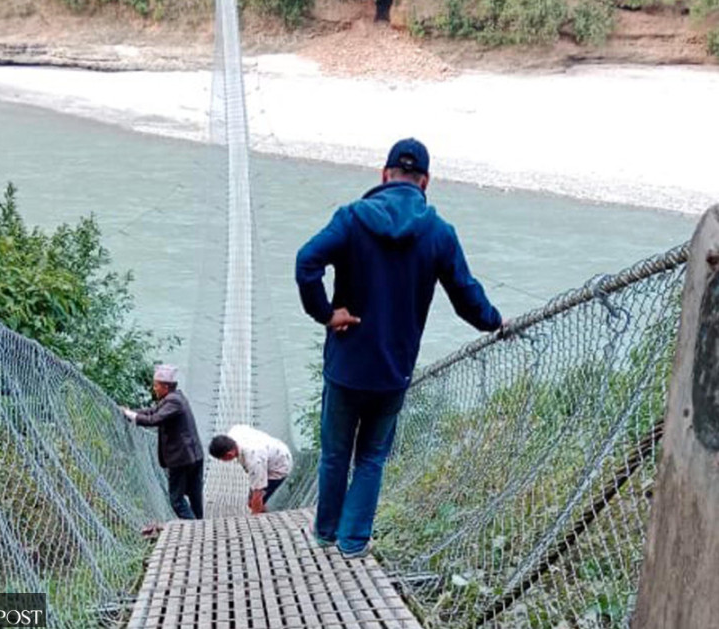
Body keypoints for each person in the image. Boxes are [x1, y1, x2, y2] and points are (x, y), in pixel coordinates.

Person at [295, 138, 504, 558]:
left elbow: (306, 262)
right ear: (425, 182)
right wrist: (495, 322)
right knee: (371, 458)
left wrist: (326, 313)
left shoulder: (351, 218)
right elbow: (466, 296)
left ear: (384, 174)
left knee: (335, 453)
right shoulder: (439, 233)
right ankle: (353, 544)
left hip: (346, 364)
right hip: (393, 372)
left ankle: (325, 533)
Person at [121, 364, 204, 520]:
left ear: (165, 386)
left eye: (156, 385)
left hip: (182, 458)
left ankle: (193, 527)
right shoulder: (175, 398)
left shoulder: (173, 402)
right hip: (192, 455)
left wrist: (131, 416)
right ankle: (200, 526)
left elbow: (154, 419)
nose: (154, 389)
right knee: (194, 495)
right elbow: (153, 411)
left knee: (176, 499)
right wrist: (130, 411)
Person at [208, 424, 293, 515]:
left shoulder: (253, 459)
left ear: (229, 455)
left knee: (254, 502)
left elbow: (258, 492)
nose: (222, 461)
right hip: (270, 451)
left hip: (280, 465)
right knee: (252, 502)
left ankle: (263, 523)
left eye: (221, 459)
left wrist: (251, 523)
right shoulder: (234, 432)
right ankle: (267, 517)